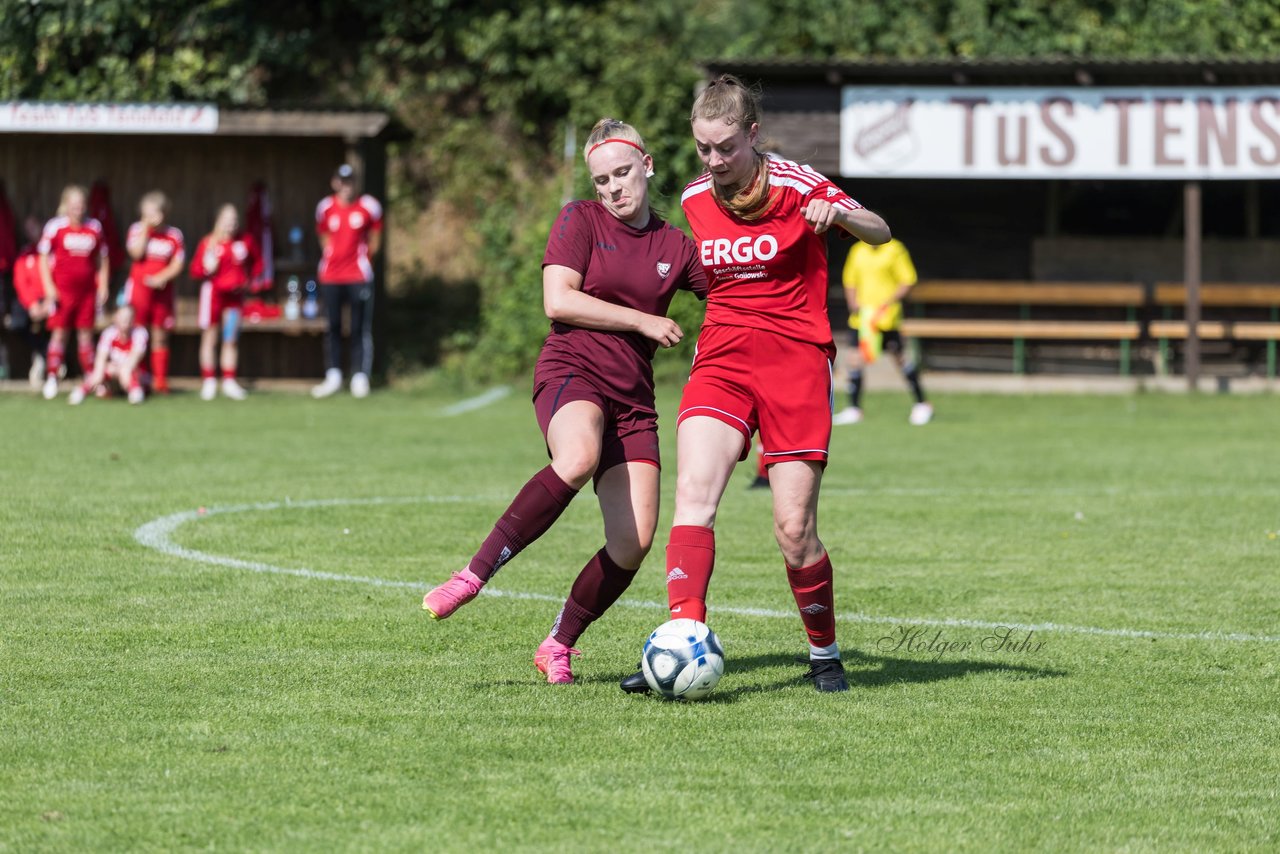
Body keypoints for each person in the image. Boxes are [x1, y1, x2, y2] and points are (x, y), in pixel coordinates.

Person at [620, 75, 891, 694]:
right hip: (723, 356)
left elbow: (881, 230)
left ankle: (824, 654)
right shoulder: (693, 199)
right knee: (693, 497)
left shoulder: (797, 184)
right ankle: (684, 640)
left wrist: (843, 215)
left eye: (725, 148)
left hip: (796, 359)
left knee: (794, 531)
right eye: (703, 149)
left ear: (752, 134)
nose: (714, 162)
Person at [422, 118, 707, 685]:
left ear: (647, 166)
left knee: (634, 543)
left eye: (622, 174)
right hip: (571, 370)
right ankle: (473, 575)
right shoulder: (580, 218)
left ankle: (558, 644)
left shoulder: (676, 246)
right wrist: (644, 320)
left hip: (634, 402)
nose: (613, 189)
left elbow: (734, 298)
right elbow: (559, 300)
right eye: (602, 179)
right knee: (576, 457)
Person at [832, 237, 932, 426]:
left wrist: (888, 302)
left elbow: (907, 280)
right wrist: (852, 302)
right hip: (862, 318)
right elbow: (850, 280)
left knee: (899, 358)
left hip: (886, 317)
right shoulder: (857, 250)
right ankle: (854, 408)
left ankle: (921, 404)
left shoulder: (895, 249)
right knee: (855, 359)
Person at [311, 164, 383, 399]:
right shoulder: (325, 207)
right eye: (342, 181)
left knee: (359, 327)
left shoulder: (368, 206)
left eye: (350, 181)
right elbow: (323, 236)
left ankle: (360, 376)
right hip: (331, 276)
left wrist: (365, 262)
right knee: (332, 326)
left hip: (357, 276)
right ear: (335, 183)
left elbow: (375, 238)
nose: (346, 186)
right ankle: (333, 374)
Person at [38, 185, 109, 400]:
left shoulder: (94, 227)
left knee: (85, 335)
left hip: (87, 293)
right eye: (74, 204)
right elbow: (43, 258)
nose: (78, 208)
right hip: (62, 292)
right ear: (66, 205)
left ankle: (91, 378)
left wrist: (103, 284)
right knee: (59, 334)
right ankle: (52, 377)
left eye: (81, 204)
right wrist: (50, 288)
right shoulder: (55, 227)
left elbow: (102, 259)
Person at [190, 204, 261, 401]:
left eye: (234, 221)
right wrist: (207, 268)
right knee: (210, 338)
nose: (231, 225)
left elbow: (258, 263)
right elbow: (195, 270)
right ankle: (209, 381)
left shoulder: (245, 242)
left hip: (234, 299)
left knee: (230, 338)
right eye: (227, 221)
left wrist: (249, 281)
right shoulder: (209, 243)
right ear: (218, 221)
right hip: (212, 296)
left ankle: (229, 380)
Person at [123, 191, 185, 395]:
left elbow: (178, 263)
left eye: (155, 212)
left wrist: (162, 277)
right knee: (139, 335)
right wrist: (145, 229)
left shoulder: (173, 235)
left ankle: (160, 380)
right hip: (139, 293)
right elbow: (136, 253)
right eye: (147, 212)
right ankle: (139, 377)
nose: (152, 216)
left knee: (160, 335)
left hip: (162, 293)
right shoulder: (136, 230)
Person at [68, 304, 148, 405]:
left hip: (134, 373)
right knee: (102, 370)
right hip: (115, 372)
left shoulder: (139, 333)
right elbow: (101, 358)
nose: (126, 321)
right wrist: (99, 373)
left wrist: (123, 369)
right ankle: (81, 391)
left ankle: (135, 392)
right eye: (123, 317)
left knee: (127, 372)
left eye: (129, 318)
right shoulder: (109, 333)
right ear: (116, 318)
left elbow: (135, 358)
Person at [10, 216, 53, 388]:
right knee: (17, 323)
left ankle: (51, 362)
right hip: (32, 301)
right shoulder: (24, 254)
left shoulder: (51, 252)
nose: (31, 232)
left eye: (33, 227)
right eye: (27, 229)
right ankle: (43, 352)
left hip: (52, 297)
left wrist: (49, 301)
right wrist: (33, 304)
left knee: (55, 324)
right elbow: (20, 282)